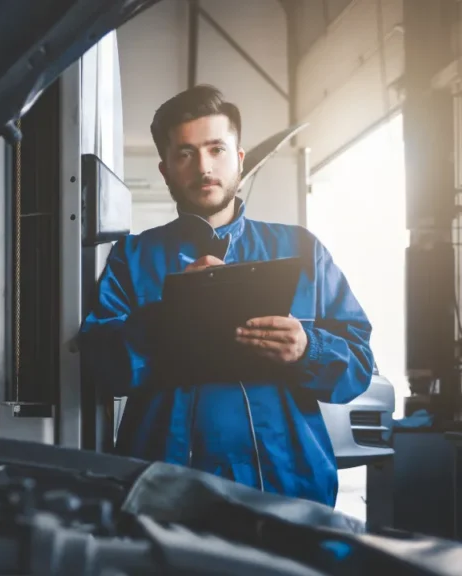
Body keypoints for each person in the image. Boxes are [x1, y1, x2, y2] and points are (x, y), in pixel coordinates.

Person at [81, 85, 373, 506]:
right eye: (185, 154)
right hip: (166, 495)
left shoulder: (302, 250)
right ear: (165, 170)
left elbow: (359, 366)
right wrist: (171, 314)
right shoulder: (133, 257)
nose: (204, 167)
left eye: (216, 149)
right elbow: (101, 366)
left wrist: (309, 348)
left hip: (289, 492)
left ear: (238, 158)